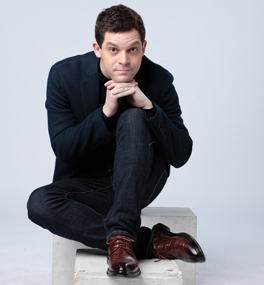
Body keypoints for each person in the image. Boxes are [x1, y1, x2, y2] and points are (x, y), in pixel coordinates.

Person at [27, 4, 205, 278]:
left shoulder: (159, 81)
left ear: (143, 47)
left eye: (132, 49)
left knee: (134, 116)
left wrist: (150, 109)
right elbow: (64, 148)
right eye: (113, 49)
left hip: (140, 180)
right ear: (97, 48)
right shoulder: (64, 76)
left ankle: (122, 235)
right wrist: (106, 113)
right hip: (89, 186)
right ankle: (149, 242)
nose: (124, 60)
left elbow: (181, 154)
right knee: (39, 203)